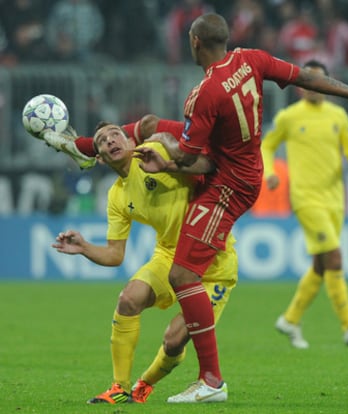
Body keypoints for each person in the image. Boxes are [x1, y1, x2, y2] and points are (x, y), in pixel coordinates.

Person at [135, 12, 348, 403]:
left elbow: (192, 157)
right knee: (151, 124)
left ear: (194, 42)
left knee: (184, 275)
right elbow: (306, 77)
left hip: (230, 183)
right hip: (249, 167)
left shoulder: (205, 93)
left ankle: (211, 380)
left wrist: (167, 163)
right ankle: (92, 146)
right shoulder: (251, 59)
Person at [48, 120, 238, 404]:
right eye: (102, 140)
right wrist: (85, 247)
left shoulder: (155, 150)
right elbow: (115, 255)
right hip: (169, 255)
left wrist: (173, 162)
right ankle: (119, 387)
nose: (111, 140)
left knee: (173, 340)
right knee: (128, 299)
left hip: (213, 261)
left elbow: (208, 163)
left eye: (116, 134)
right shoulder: (116, 196)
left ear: (131, 142)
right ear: (98, 157)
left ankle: (144, 384)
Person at [261, 59, 348, 349]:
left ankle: (290, 319)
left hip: (335, 198)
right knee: (335, 258)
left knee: (321, 265)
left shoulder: (338, 115)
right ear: (301, 87)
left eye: (319, 80)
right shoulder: (289, 117)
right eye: (308, 81)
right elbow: (267, 145)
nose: (313, 88)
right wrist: (270, 173)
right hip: (306, 198)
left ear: (326, 84)